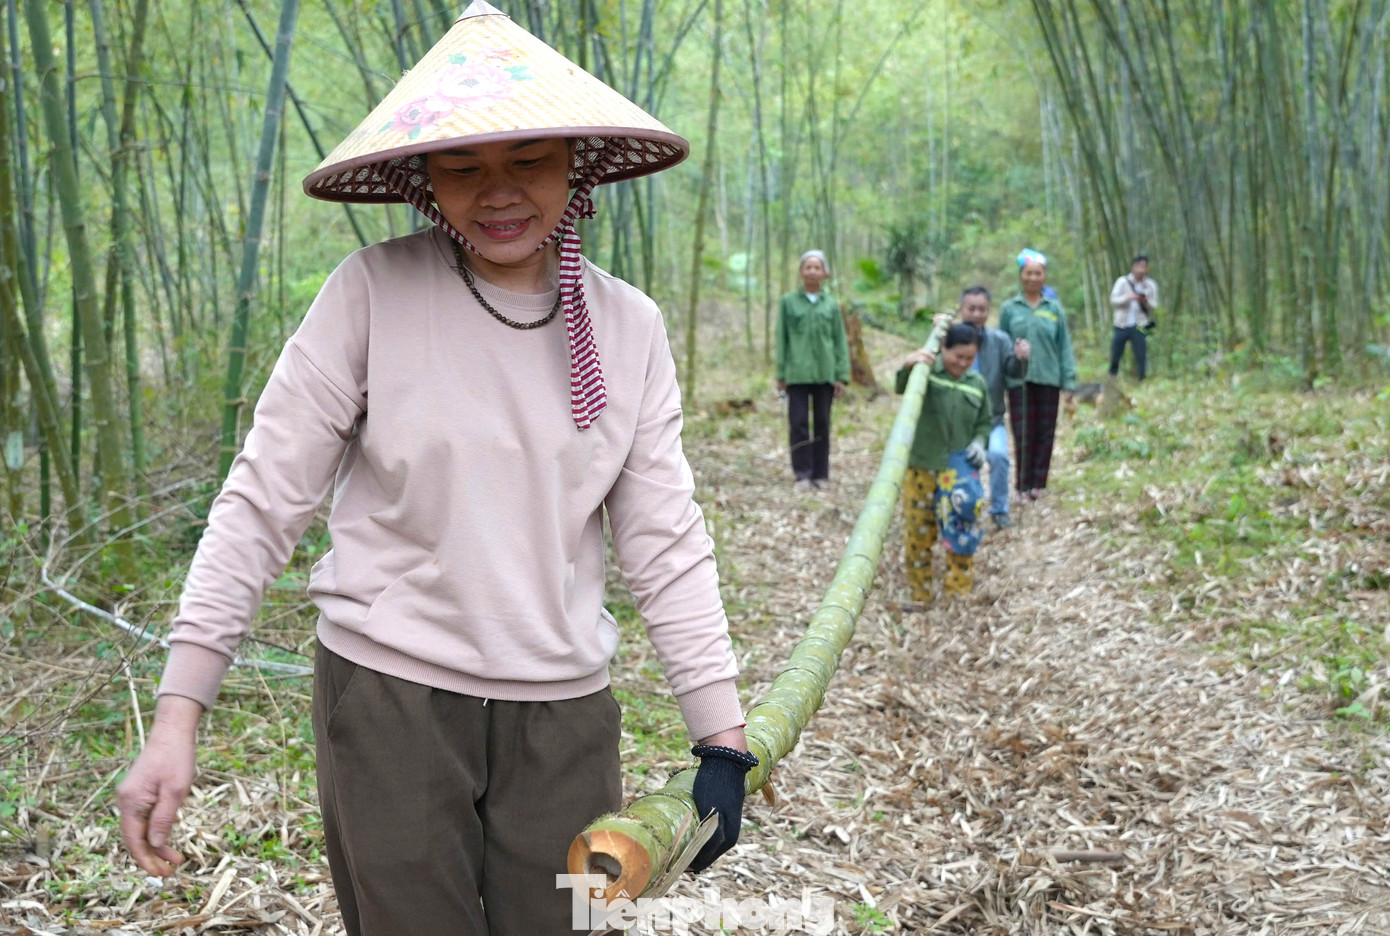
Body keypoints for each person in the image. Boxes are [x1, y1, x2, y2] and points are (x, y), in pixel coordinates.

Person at [114, 5, 755, 935]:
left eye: (527, 160)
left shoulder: (628, 328)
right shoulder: (371, 295)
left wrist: (720, 736)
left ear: (576, 163)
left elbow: (664, 539)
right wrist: (179, 712)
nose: (497, 192)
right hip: (389, 705)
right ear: (425, 179)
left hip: (565, 717)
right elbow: (262, 504)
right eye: (463, 166)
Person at [895, 324, 993, 601]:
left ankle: (958, 591)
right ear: (944, 349)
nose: (962, 363)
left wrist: (978, 442)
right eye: (957, 356)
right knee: (918, 530)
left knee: (963, 525)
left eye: (969, 359)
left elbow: (984, 423)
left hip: (958, 471)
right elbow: (900, 387)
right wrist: (909, 364)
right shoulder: (926, 373)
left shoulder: (976, 384)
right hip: (922, 466)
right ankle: (919, 592)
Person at [999, 249, 1076, 500]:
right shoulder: (1009, 308)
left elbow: (1064, 345)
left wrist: (1069, 382)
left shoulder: (1054, 308)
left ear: (1044, 277)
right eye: (1028, 273)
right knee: (1022, 431)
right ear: (1021, 276)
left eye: (1038, 273)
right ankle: (1022, 484)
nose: (1033, 277)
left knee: (1045, 431)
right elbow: (1001, 344)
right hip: (1018, 379)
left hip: (1049, 378)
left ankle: (1038, 484)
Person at [955, 286, 1030, 530]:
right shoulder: (950, 338)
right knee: (961, 465)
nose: (977, 314)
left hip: (992, 418)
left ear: (989, 311)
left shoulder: (999, 340)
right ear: (961, 309)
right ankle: (961, 511)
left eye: (982, 309)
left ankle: (999, 509)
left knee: (998, 457)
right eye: (971, 308)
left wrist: (1020, 358)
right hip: (957, 419)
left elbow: (1013, 371)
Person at [775, 250, 850, 491]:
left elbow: (840, 340)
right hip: (796, 373)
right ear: (801, 271)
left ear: (825, 273)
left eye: (817, 267)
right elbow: (781, 338)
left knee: (822, 423)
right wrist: (781, 373)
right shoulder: (788, 302)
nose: (812, 271)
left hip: (825, 373)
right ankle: (802, 474)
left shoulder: (832, 305)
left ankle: (820, 473)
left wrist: (841, 375)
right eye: (807, 267)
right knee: (797, 423)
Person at [1109, 254, 1157, 381]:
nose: (1140, 269)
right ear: (1133, 267)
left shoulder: (1150, 285)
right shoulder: (1122, 282)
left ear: (1147, 269)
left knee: (1141, 353)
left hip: (1141, 324)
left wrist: (1144, 301)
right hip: (1121, 323)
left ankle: (1142, 379)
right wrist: (1128, 298)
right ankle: (1112, 377)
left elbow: (1154, 305)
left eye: (1143, 267)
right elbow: (1113, 300)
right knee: (1116, 352)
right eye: (1138, 266)